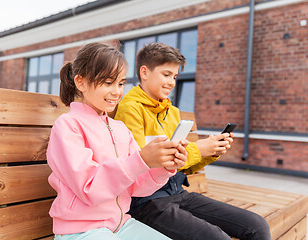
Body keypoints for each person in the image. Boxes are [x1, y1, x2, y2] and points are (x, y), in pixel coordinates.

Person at [114, 42, 271, 240]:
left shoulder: (172, 112)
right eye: (166, 74)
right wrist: (199, 149)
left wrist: (211, 151)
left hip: (177, 191)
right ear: (144, 72)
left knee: (257, 226)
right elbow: (141, 167)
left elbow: (183, 166)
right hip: (147, 201)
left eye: (175, 76)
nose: (172, 82)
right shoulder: (130, 109)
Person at [46, 42, 189, 240]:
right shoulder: (68, 126)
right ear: (81, 82)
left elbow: (137, 187)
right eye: (107, 83)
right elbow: (89, 188)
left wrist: (163, 166)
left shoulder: (119, 128)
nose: (116, 92)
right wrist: (141, 160)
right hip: (80, 230)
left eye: (120, 83)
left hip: (120, 225)